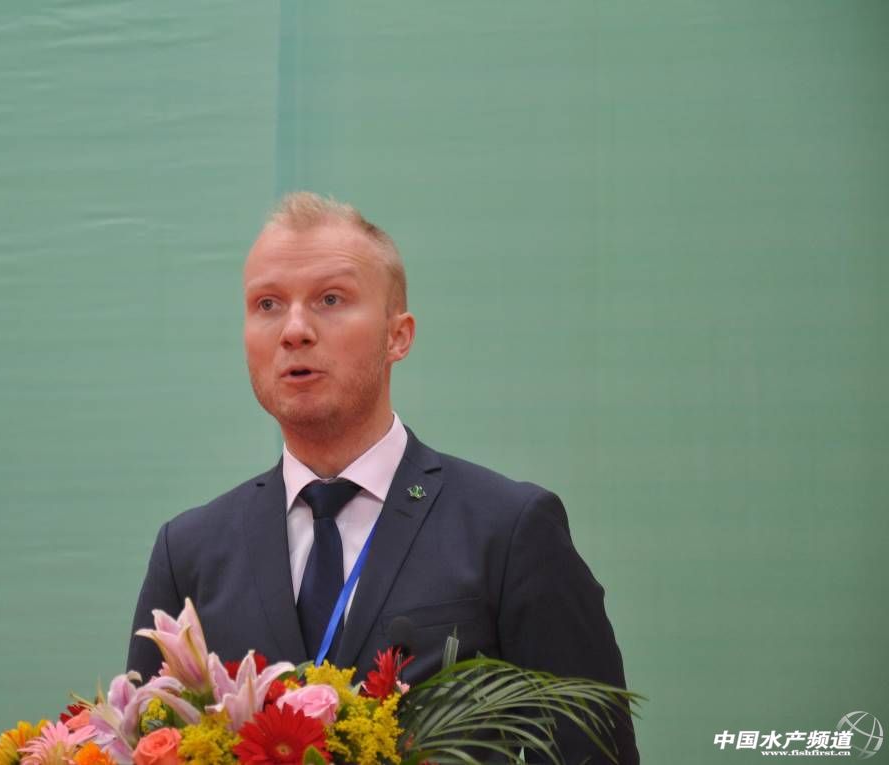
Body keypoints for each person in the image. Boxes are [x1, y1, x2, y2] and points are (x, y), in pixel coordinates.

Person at [127, 192, 638, 763]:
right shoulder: (189, 553)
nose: (294, 330)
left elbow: (592, 750)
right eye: (267, 304)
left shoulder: (508, 531)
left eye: (330, 299)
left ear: (398, 336)